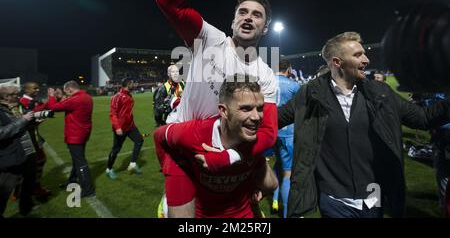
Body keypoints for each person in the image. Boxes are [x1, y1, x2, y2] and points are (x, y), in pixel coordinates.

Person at [155, 0, 278, 217]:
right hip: (186, 152)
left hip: (230, 162)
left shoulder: (265, 75)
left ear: (265, 28)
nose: (248, 17)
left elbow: (268, 133)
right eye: (242, 12)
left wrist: (235, 157)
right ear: (232, 20)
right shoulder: (210, 40)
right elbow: (167, 2)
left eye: (256, 15)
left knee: (253, 200)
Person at [278, 32, 450, 218]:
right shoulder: (310, 94)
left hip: (373, 193)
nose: (366, 59)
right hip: (334, 199)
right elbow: (274, 120)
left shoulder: (380, 93)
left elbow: (422, 118)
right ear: (337, 62)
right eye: (358, 55)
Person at [154, 75, 278, 217]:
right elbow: (159, 136)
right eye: (246, 109)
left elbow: (271, 184)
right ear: (224, 111)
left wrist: (231, 158)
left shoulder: (254, 138)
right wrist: (172, 171)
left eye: (260, 108)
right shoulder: (195, 134)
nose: (256, 117)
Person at [47, 81, 95, 198]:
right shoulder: (86, 97)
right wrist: (60, 98)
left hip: (75, 135)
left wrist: (51, 96)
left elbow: (53, 107)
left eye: (66, 93)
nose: (66, 95)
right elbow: (66, 104)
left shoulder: (75, 99)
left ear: (69, 90)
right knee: (76, 160)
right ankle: (72, 181)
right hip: (83, 132)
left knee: (80, 162)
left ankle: (88, 190)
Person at [0, 85, 35, 217]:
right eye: (15, 94)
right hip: (11, 156)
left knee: (29, 184)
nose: (18, 96)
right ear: (6, 97)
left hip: (28, 152)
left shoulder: (16, 106)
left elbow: (21, 126)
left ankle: (25, 209)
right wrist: (23, 120)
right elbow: (1, 133)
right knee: (4, 190)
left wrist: (33, 122)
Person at [271, 59, 300, 217]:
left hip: (271, 133)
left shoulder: (266, 83)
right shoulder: (294, 85)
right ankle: (289, 213)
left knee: (278, 166)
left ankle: (275, 200)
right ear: (288, 69)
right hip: (288, 133)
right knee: (288, 173)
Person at [106, 78, 144, 179]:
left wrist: (132, 123)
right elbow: (112, 113)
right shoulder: (117, 97)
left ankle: (132, 164)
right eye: (132, 83)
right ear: (128, 84)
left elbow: (128, 113)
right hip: (120, 128)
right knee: (116, 149)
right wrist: (117, 127)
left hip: (130, 126)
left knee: (139, 140)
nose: (134, 85)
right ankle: (109, 169)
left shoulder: (129, 95)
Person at [18, 82, 52, 199]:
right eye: (34, 88)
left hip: (34, 134)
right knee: (38, 161)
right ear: (27, 90)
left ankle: (20, 190)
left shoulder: (31, 100)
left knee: (36, 161)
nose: (37, 90)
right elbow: (25, 119)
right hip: (28, 137)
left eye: (38, 88)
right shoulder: (23, 102)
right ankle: (34, 188)